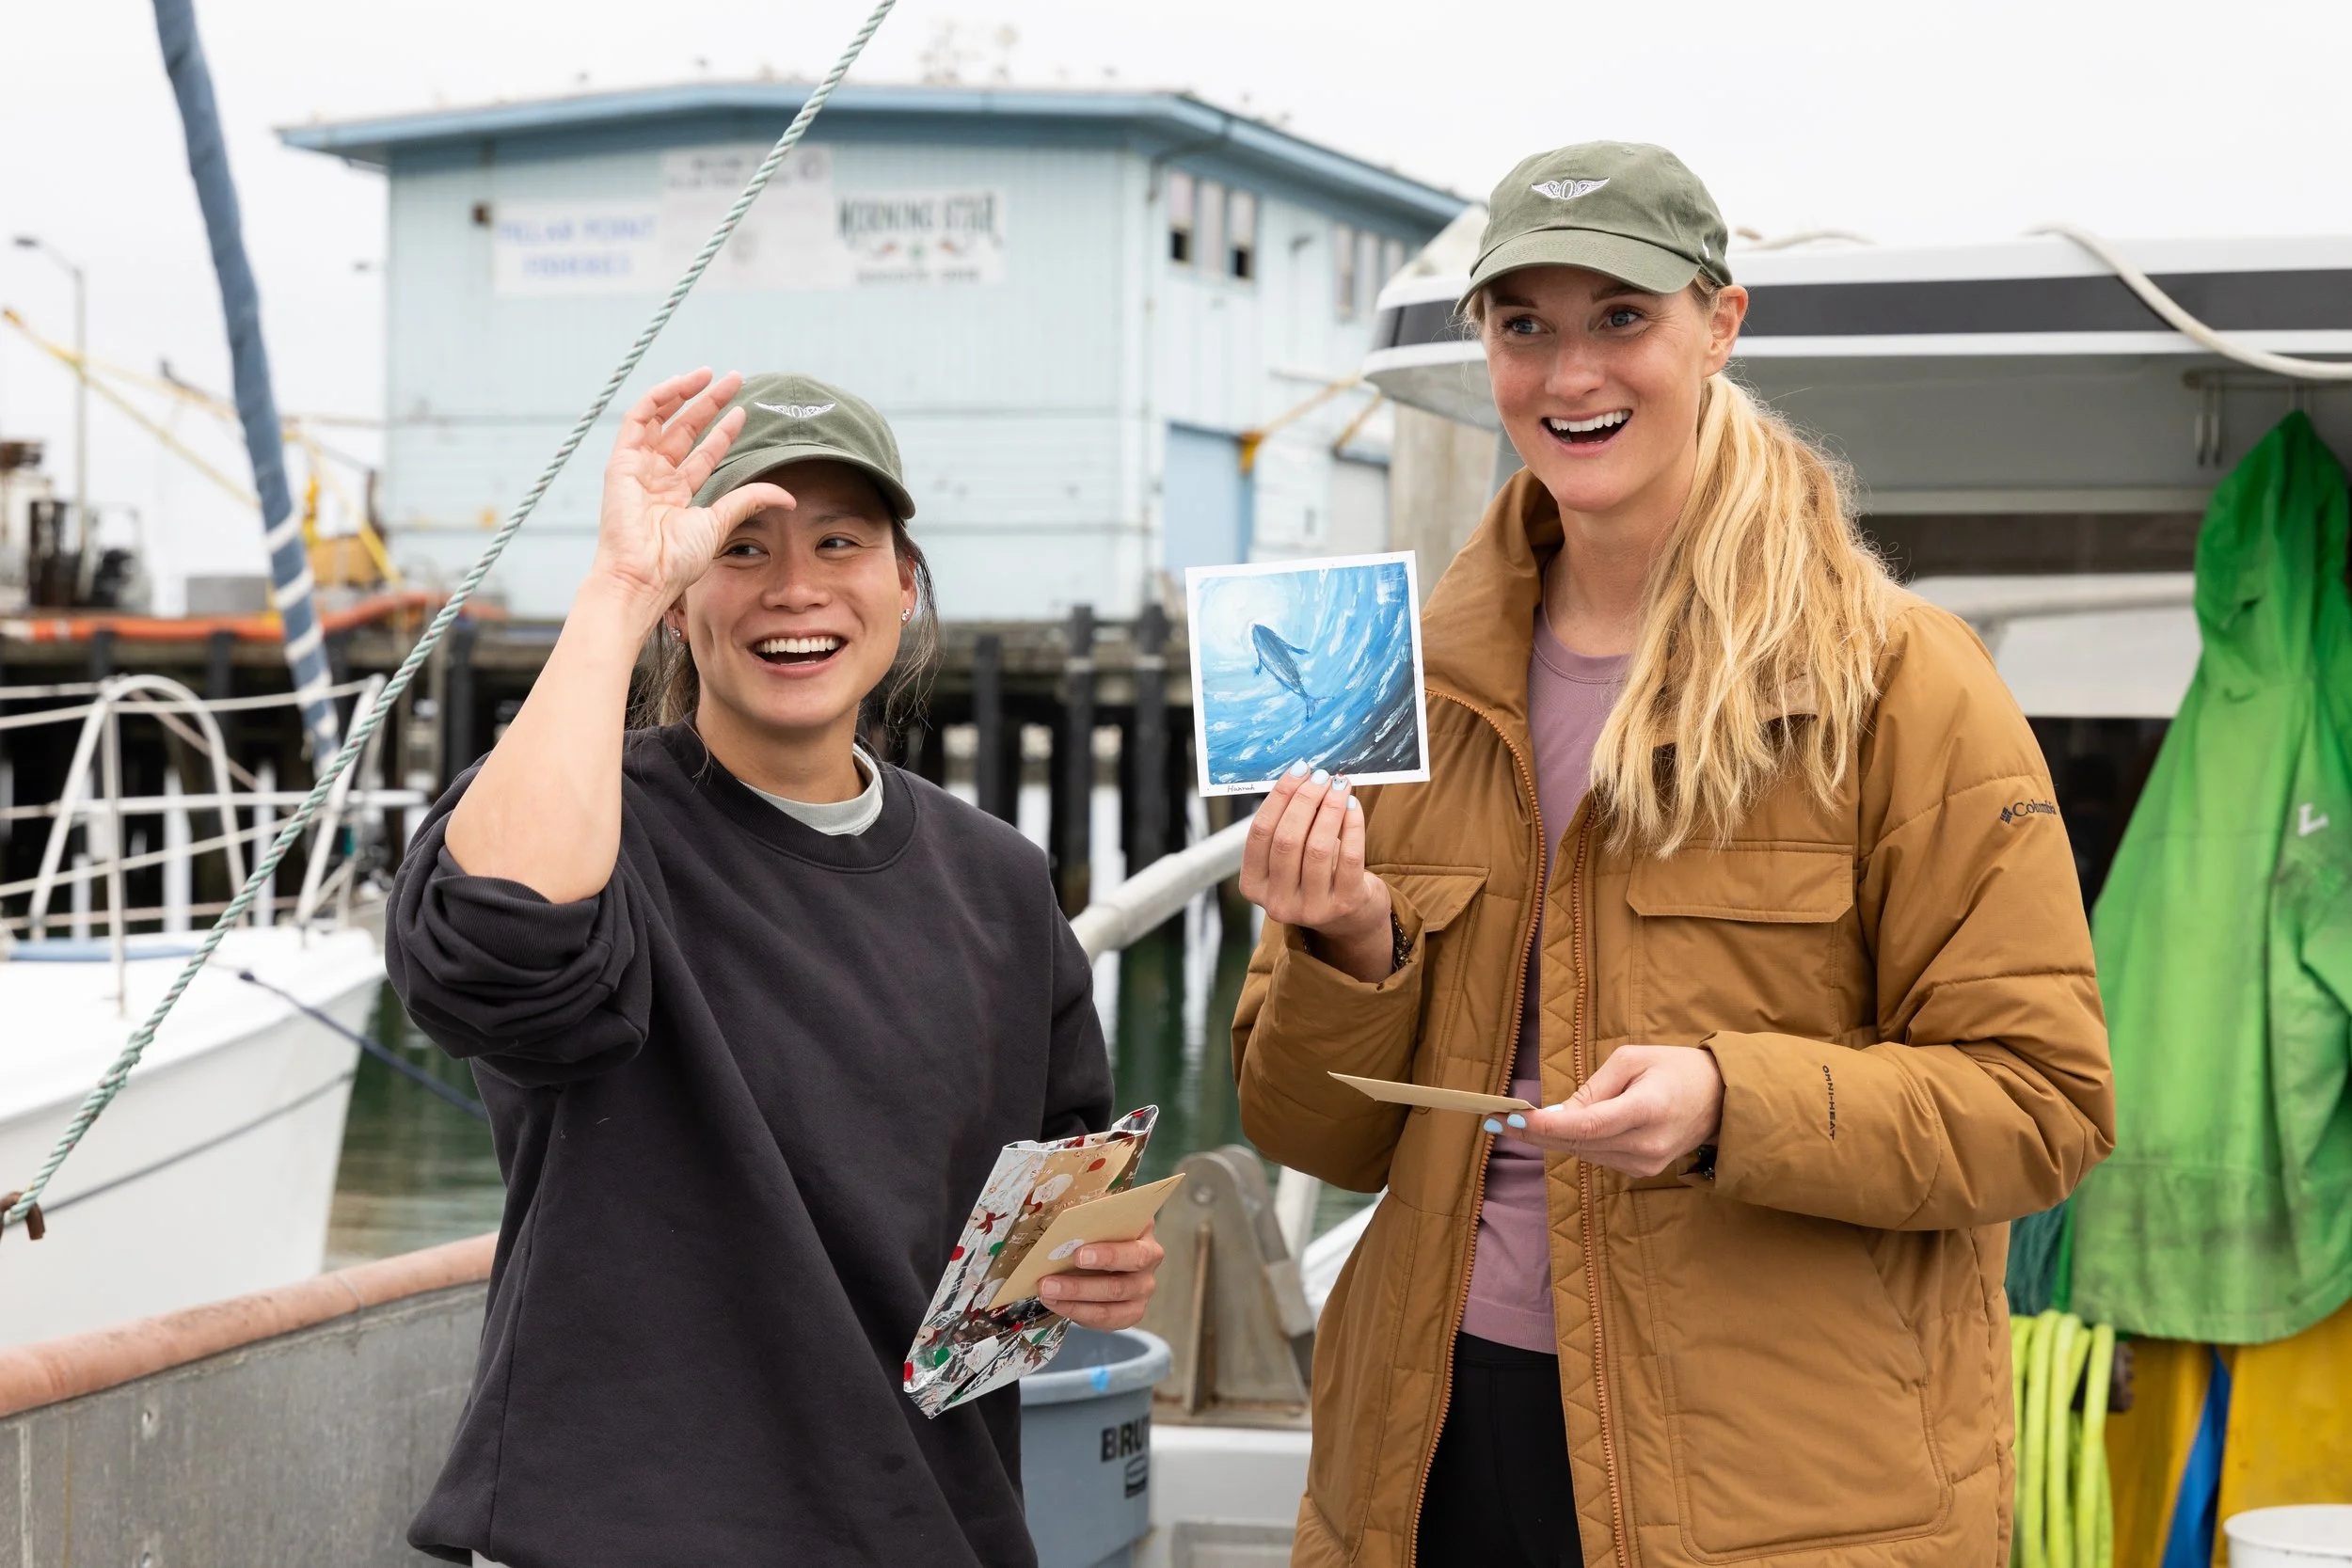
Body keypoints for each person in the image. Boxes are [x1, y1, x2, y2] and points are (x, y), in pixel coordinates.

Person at [1232, 144, 2115, 1568]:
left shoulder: (1904, 681)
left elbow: (2042, 1103)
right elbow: (1311, 1135)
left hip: (1774, 1498)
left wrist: (1727, 1100)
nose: (1570, 373)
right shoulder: (1394, 688)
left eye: (1621, 317)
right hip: (1433, 1453)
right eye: (1526, 325)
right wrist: (1348, 946)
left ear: (1722, 323)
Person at [384, 369, 1162, 1568]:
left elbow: (1045, 1204)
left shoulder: (1001, 881)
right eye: (741, 546)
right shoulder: (597, 826)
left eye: (841, 541)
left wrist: (1088, 1272)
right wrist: (616, 586)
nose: (795, 587)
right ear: (685, 601)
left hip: (926, 1522)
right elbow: (491, 956)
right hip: (620, 1529)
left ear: (903, 584)